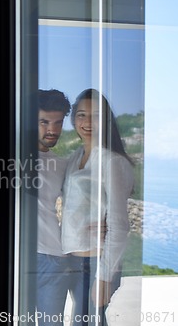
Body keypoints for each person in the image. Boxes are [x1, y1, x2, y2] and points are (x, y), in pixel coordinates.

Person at [61, 88, 134, 326]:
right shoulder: (74, 157)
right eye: (81, 115)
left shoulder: (112, 162)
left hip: (95, 264)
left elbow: (120, 226)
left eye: (95, 115)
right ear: (73, 119)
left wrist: (104, 277)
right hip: (72, 262)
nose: (87, 122)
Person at [34, 89, 72, 326]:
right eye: (44, 122)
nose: (53, 130)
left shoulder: (62, 165)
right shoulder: (4, 154)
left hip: (53, 260)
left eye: (58, 122)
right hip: (15, 257)